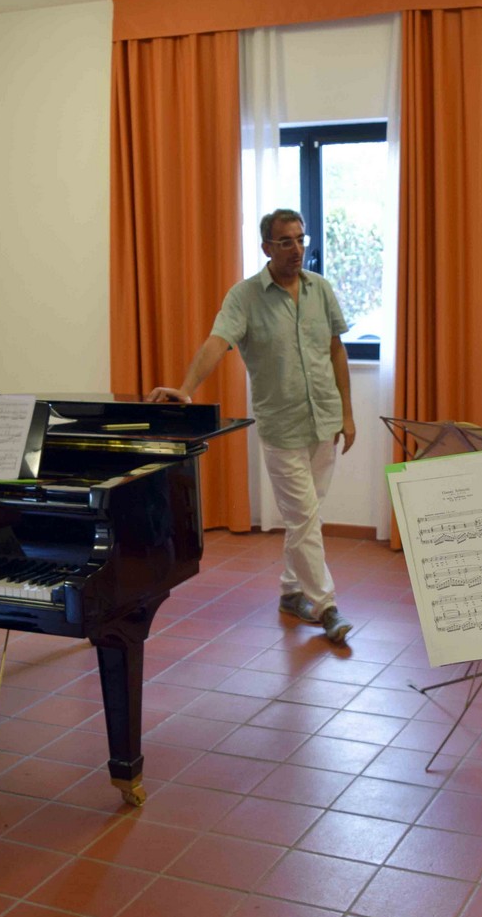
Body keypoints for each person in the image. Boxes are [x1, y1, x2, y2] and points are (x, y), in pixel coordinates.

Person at [148, 208, 356, 644]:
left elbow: (336, 350)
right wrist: (186, 388)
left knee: (307, 516)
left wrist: (348, 414)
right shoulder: (244, 297)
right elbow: (217, 342)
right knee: (304, 517)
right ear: (266, 247)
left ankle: (291, 592)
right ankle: (326, 606)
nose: (297, 248)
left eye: (301, 238)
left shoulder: (320, 289)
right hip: (282, 426)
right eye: (286, 241)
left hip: (324, 420)